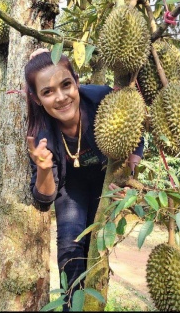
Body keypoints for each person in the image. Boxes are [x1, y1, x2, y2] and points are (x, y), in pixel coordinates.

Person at [24, 48, 143, 310]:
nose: (61, 97)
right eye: (47, 92)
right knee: (71, 251)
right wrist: (43, 167)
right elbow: (45, 198)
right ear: (37, 99)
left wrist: (127, 176)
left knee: (98, 248)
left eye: (66, 84)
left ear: (76, 81)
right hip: (71, 189)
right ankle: (71, 306)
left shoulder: (101, 98)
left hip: (105, 179)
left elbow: (136, 134)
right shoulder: (41, 134)